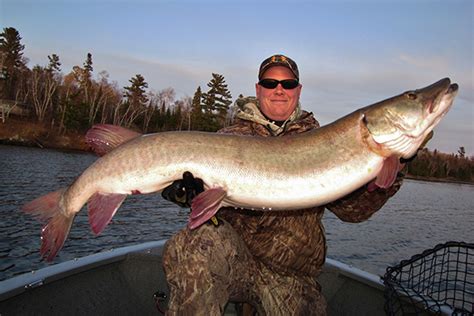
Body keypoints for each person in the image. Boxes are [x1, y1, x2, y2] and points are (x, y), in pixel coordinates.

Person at [161, 54, 403, 315]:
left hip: (291, 274)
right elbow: (206, 201)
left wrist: (396, 167)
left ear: (297, 91)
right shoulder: (228, 138)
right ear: (258, 89)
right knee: (192, 243)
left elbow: (354, 211)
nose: (279, 89)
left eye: (287, 84)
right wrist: (190, 196)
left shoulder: (323, 141)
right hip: (233, 260)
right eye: (270, 82)